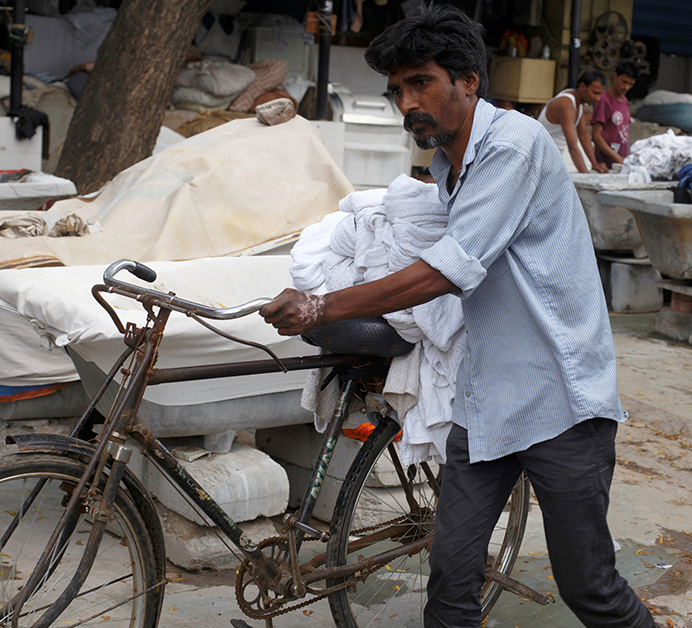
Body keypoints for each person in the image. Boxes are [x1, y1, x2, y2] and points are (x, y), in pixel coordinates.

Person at [260, 5, 660, 628]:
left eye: (421, 83)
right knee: (450, 583)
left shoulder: (512, 146)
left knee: (590, 587)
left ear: (469, 80)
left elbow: (449, 269)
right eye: (397, 90)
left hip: (560, 401)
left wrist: (322, 306)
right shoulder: (449, 162)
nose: (407, 103)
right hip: (486, 398)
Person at [536, 70, 608, 173]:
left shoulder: (578, 102)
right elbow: (572, 146)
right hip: (540, 160)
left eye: (600, 94)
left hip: (551, 160)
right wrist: (586, 176)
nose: (598, 98)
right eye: (595, 93)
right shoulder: (566, 104)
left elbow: (583, 136)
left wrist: (595, 164)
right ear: (582, 87)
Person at [592, 60, 639, 170]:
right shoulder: (603, 100)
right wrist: (617, 158)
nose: (626, 87)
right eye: (624, 82)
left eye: (630, 84)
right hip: (605, 165)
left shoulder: (625, 101)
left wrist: (622, 160)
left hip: (621, 164)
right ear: (615, 76)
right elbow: (596, 136)